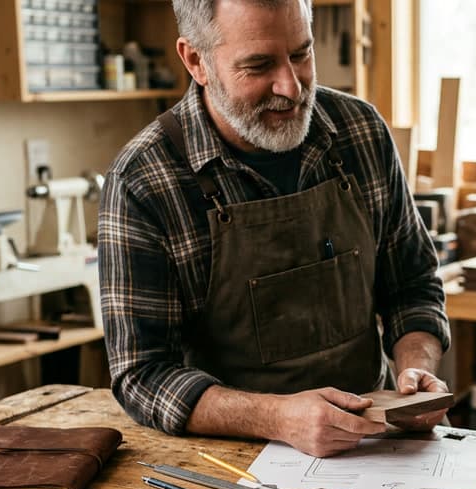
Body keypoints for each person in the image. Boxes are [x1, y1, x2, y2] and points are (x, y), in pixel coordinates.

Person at [99, 0, 450, 458]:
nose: (291, 86)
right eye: (259, 65)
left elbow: (412, 284)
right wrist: (277, 418)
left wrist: (415, 372)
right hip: (236, 461)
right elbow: (142, 376)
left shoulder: (360, 132)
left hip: (374, 448)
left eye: (302, 54)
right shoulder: (146, 181)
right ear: (195, 60)